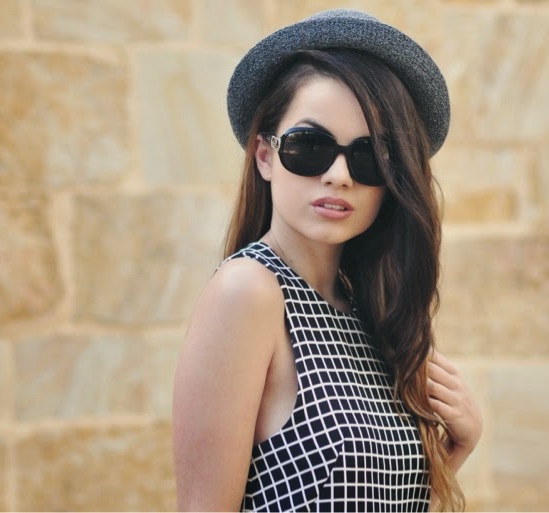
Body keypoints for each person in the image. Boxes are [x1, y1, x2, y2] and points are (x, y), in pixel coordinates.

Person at [172, 9, 482, 512]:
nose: (339, 175)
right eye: (310, 146)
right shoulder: (247, 292)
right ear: (265, 156)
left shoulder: (366, 312)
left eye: (369, 156)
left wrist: (455, 449)